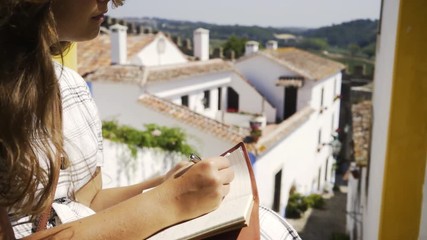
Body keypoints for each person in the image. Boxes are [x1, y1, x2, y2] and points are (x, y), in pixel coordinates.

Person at [0, 0, 300, 239]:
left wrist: (165, 185)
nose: (115, 1)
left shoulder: (74, 88)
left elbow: (89, 202)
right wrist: (168, 201)